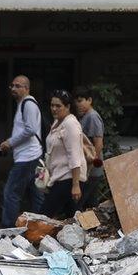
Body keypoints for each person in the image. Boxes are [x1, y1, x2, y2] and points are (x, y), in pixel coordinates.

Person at [0, 75, 44, 227]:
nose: (13, 88)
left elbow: (30, 129)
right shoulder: (23, 104)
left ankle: (8, 230)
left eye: (18, 86)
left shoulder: (28, 104)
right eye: (12, 86)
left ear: (27, 88)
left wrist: (9, 143)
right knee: (36, 195)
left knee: (11, 193)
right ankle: (40, 227)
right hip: (30, 157)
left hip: (27, 157)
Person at [38, 90, 87, 218]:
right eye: (52, 105)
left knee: (44, 216)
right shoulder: (57, 122)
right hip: (57, 176)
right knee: (72, 219)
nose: (54, 109)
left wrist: (75, 185)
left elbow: (74, 155)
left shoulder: (70, 124)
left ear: (68, 107)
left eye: (58, 106)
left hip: (68, 178)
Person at [73, 86, 105, 211]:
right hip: (88, 167)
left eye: (80, 101)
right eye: (76, 102)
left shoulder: (92, 117)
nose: (78, 104)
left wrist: (92, 162)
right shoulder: (84, 116)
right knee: (90, 205)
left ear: (89, 100)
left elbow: (99, 143)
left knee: (79, 204)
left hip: (91, 169)